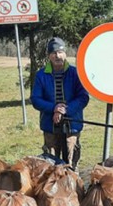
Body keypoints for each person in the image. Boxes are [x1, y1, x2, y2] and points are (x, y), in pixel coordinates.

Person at [31, 37, 89, 170]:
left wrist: (64, 110)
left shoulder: (75, 73)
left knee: (71, 161)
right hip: (49, 125)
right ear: (49, 56)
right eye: (53, 53)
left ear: (65, 53)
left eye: (60, 52)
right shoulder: (41, 75)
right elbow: (36, 99)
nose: (57, 55)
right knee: (51, 164)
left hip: (72, 124)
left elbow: (83, 97)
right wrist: (54, 108)